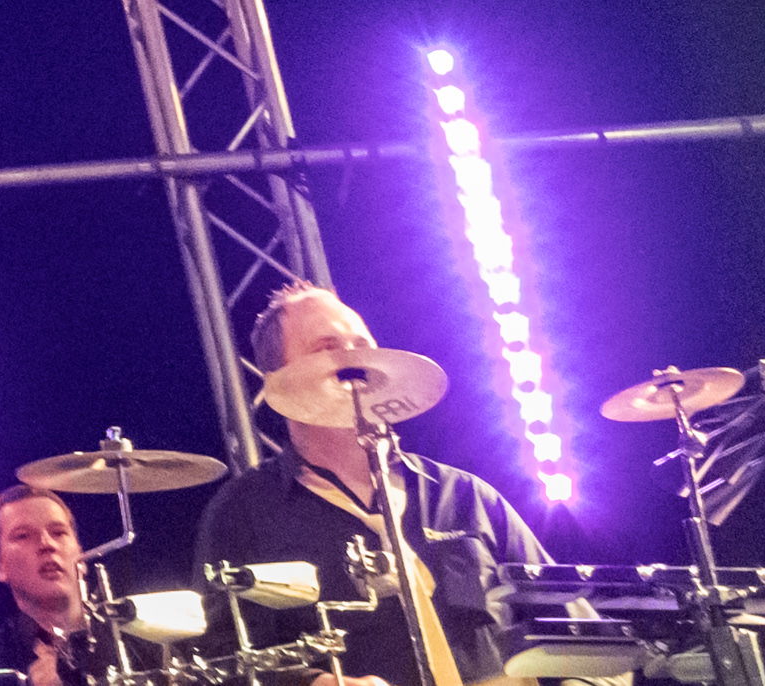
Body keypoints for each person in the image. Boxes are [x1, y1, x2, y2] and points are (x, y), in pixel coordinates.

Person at [192, 285, 545, 684]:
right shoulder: (244, 512)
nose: (354, 358)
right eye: (328, 347)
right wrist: (316, 683)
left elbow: (573, 622)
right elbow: (218, 661)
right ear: (277, 382)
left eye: (362, 345)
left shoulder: (466, 495)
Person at [0, 483, 109, 686]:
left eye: (58, 532)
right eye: (23, 535)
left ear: (81, 555)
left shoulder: (134, 636)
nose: (47, 544)